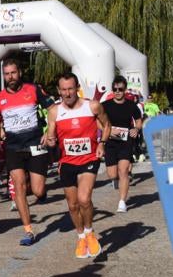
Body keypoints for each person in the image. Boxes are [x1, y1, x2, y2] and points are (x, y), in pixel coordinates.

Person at [0, 59, 54, 245]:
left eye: (13, 73)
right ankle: (28, 231)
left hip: (35, 144)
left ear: (20, 73)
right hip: (13, 148)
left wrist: (49, 131)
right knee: (19, 187)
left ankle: (40, 192)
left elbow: (52, 109)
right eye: (7, 74)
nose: (10, 77)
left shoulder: (33, 90)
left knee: (38, 190)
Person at [45, 73, 110, 258]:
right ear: (59, 91)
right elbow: (51, 136)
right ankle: (81, 236)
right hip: (67, 162)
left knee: (84, 199)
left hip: (89, 159)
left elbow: (107, 125)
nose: (67, 93)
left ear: (77, 87)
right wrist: (50, 141)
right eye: (63, 90)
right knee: (73, 205)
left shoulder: (92, 106)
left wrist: (102, 143)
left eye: (70, 89)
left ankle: (89, 233)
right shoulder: (54, 112)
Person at [101, 75, 143, 213]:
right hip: (110, 142)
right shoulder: (105, 105)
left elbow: (138, 120)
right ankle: (116, 181)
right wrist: (107, 130)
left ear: (125, 89)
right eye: (115, 89)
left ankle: (122, 202)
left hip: (125, 142)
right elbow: (97, 121)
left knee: (123, 171)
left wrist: (136, 129)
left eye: (120, 89)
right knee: (112, 174)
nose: (117, 91)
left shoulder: (131, 105)